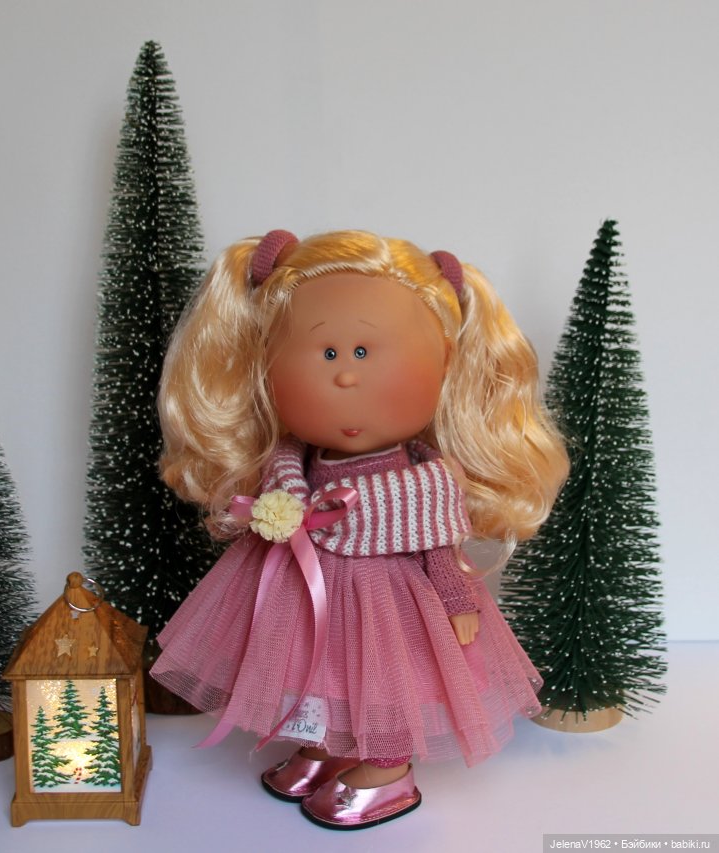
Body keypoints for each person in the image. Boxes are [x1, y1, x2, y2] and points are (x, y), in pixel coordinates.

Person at [151, 229, 568, 830]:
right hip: (299, 580)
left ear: (445, 366)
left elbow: (437, 544)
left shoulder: (425, 480)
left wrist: (455, 599)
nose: (346, 377)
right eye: (327, 354)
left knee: (389, 680)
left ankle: (386, 768)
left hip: (390, 597)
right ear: (266, 364)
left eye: (367, 353)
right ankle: (325, 744)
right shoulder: (285, 472)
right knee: (307, 667)